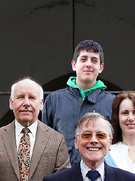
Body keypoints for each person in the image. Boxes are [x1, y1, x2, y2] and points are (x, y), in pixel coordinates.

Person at [42, 39, 116, 167]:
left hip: (100, 176)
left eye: (94, 60)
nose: (88, 64)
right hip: (62, 175)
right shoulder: (54, 99)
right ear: (74, 65)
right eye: (83, 59)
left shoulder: (112, 102)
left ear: (101, 67)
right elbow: (44, 142)